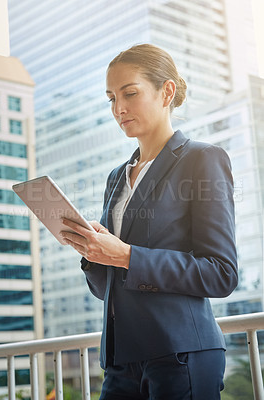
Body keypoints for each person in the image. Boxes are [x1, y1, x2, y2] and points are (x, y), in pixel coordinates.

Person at [60, 44, 238, 400]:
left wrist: (126, 254)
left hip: (180, 353)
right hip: (121, 361)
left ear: (166, 91)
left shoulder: (202, 159)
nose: (118, 108)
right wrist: (93, 252)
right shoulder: (117, 176)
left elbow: (221, 273)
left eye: (130, 93)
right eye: (111, 98)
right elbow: (108, 288)